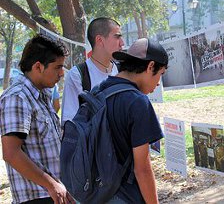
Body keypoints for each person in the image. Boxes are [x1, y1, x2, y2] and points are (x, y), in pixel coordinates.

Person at [0, 35, 74, 204]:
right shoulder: (18, 97)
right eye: (58, 67)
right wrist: (50, 184)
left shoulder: (42, 96)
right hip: (37, 197)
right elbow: (11, 153)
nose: (62, 73)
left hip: (55, 193)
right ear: (38, 67)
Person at [98, 38, 168, 203]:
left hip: (94, 194)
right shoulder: (138, 102)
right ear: (150, 66)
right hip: (126, 197)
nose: (158, 83)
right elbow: (142, 169)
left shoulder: (98, 91)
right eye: (160, 74)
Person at [61, 17, 124, 124]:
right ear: (99, 40)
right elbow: (69, 123)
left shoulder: (122, 72)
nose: (122, 43)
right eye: (117, 37)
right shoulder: (77, 75)